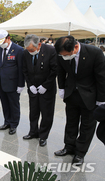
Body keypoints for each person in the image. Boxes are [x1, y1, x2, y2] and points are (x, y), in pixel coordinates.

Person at [54, 35, 105, 166]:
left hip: (89, 96)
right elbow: (60, 71)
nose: (64, 57)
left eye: (66, 55)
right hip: (71, 94)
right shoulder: (62, 53)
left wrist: (101, 100)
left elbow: (101, 77)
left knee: (87, 126)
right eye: (62, 55)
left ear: (76, 47)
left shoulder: (95, 53)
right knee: (71, 122)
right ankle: (69, 147)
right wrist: (62, 88)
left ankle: (80, 153)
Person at [22, 34, 57, 147]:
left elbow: (54, 70)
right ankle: (33, 132)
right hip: (33, 88)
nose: (30, 52)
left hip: (46, 88)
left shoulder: (51, 50)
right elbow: (25, 70)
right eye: (28, 50)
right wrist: (30, 85)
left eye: (32, 49)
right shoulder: (25, 53)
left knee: (46, 113)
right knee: (33, 112)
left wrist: (45, 86)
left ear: (39, 45)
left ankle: (43, 136)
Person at [0, 29, 25, 135]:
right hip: (1, 83)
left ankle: (13, 124)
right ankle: (7, 121)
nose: (1, 45)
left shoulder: (18, 50)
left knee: (13, 105)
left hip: (13, 83)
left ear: (8, 38)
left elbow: (21, 68)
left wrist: (21, 84)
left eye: (2, 42)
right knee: (5, 104)